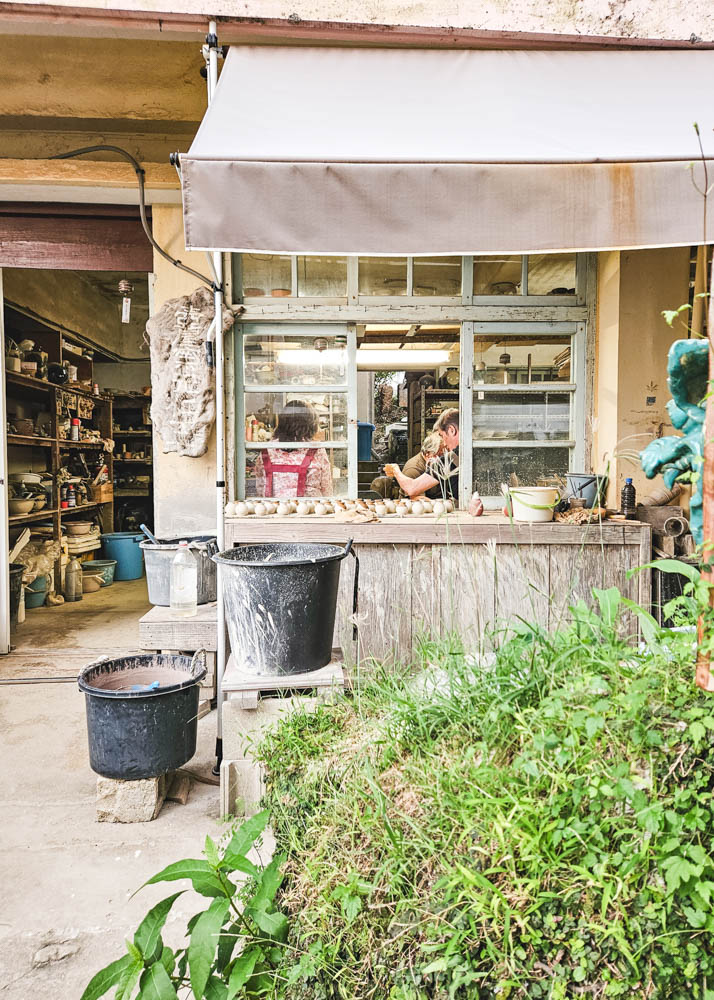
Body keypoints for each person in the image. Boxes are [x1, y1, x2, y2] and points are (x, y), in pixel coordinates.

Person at [254, 400, 332, 497]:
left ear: (282, 422)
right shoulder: (317, 450)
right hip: (312, 509)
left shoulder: (267, 450)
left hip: (274, 509)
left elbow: (260, 488)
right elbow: (327, 489)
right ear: (311, 424)